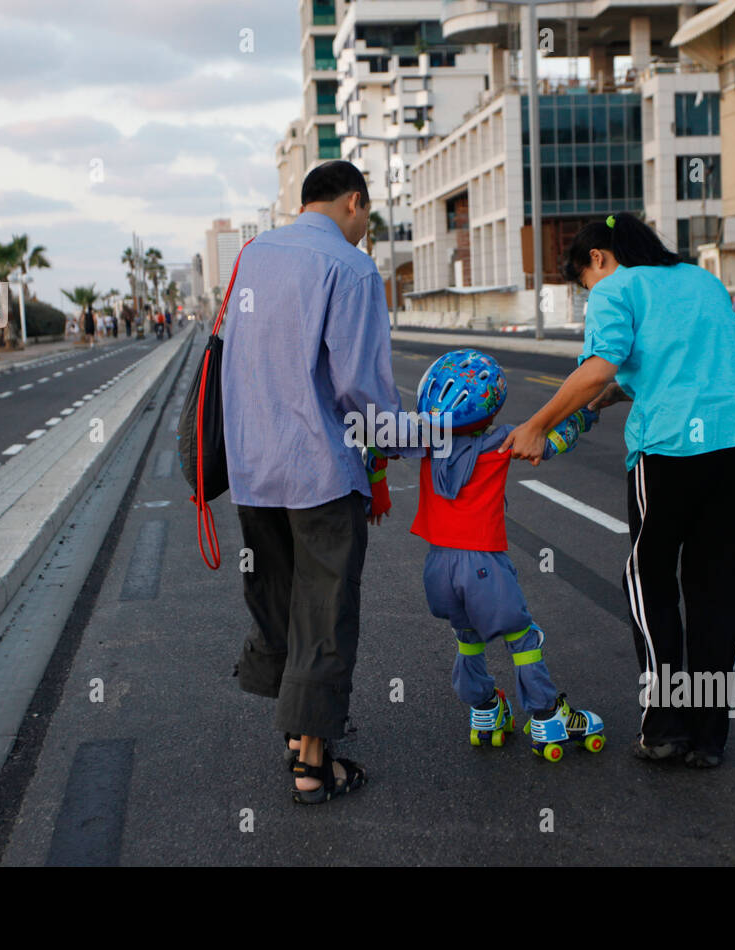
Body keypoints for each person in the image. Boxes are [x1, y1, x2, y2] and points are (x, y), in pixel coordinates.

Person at [500, 213, 735, 769]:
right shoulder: (700, 279)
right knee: (718, 584)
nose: (590, 294)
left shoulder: (618, 287)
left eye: (585, 283)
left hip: (673, 448)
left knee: (648, 575)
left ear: (599, 259)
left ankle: (663, 727)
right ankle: (708, 736)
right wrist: (614, 395)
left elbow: (600, 363)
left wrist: (536, 424)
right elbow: (690, 363)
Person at [223, 159, 403, 804]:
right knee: (325, 609)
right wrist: (410, 438)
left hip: (251, 465)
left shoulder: (251, 255)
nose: (365, 228)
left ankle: (295, 733)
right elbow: (360, 387)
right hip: (319, 468)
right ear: (354, 202)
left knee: (277, 599)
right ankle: (314, 766)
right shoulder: (350, 268)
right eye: (368, 214)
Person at [411, 348, 606, 761]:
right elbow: (551, 441)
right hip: (483, 566)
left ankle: (484, 710)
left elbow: (378, 443)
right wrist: (586, 414)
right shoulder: (502, 441)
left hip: (437, 567)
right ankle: (548, 716)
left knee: (467, 638)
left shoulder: (424, 442)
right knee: (525, 639)